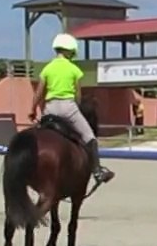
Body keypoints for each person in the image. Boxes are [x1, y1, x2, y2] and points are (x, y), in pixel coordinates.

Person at [30, 33, 115, 186]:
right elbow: (78, 95)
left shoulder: (47, 68)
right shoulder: (74, 69)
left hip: (49, 109)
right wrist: (77, 107)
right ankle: (97, 171)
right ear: (69, 51)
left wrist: (32, 109)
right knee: (90, 137)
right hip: (68, 107)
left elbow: (39, 93)